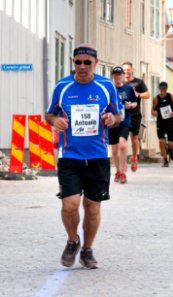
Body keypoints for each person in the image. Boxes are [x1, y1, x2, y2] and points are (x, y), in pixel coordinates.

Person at [45, 44, 121, 269]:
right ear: (73, 62)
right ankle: (72, 241)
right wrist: (55, 121)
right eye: (78, 62)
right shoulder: (63, 86)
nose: (82, 66)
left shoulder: (106, 86)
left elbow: (117, 114)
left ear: (95, 64)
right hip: (70, 155)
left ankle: (87, 249)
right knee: (69, 204)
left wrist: (111, 119)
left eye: (87, 62)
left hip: (97, 155)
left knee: (92, 206)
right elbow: (49, 113)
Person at [109, 66, 137, 183]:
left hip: (125, 121)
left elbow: (135, 103)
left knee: (122, 145)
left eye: (119, 74)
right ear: (113, 76)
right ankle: (118, 171)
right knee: (114, 150)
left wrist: (130, 105)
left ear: (122, 76)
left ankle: (123, 172)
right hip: (113, 123)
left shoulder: (128, 88)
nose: (117, 76)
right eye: (115, 75)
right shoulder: (110, 88)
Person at [122, 62, 150, 171]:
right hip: (123, 114)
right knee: (122, 138)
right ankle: (123, 161)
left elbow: (147, 94)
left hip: (135, 114)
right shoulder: (120, 83)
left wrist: (138, 94)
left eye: (128, 70)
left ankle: (134, 157)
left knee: (134, 138)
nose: (126, 72)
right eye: (124, 70)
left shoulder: (139, 82)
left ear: (132, 70)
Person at [151, 81, 173, 167]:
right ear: (159, 89)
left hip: (171, 122)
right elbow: (152, 110)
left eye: (164, 89)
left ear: (166, 89)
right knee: (161, 141)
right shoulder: (156, 99)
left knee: (171, 143)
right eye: (161, 89)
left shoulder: (171, 97)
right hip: (160, 123)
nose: (163, 90)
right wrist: (154, 113)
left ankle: (170, 150)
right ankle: (165, 160)